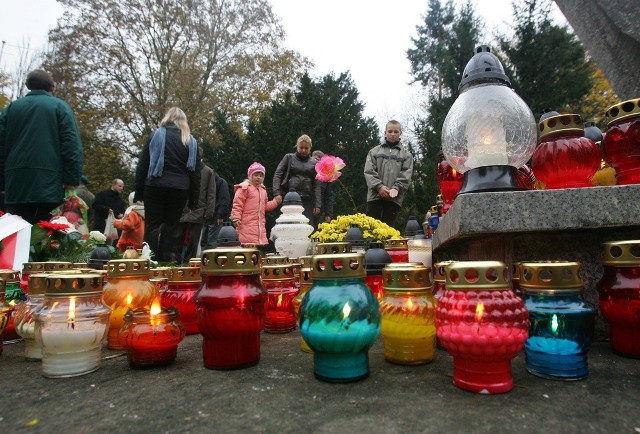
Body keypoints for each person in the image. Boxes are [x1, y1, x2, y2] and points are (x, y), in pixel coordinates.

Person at [0, 69, 83, 224]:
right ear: (52, 87)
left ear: (28, 86)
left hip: (16, 184)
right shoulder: (60, 107)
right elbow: (71, 145)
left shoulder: (10, 109)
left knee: (16, 233)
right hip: (49, 184)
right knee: (46, 233)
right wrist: (71, 178)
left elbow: (1, 147)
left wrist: (2, 182)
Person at [134, 107, 200, 262]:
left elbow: (143, 165)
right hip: (179, 189)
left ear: (167, 118)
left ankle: (148, 259)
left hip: (154, 186)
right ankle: (168, 260)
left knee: (152, 225)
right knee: (172, 226)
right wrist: (193, 200)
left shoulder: (155, 135)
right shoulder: (190, 141)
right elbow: (195, 173)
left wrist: (139, 191)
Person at [364, 120, 414, 227]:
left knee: (388, 229)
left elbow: (406, 174)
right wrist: (379, 187)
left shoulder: (406, 155)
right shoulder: (374, 152)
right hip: (374, 197)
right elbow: (369, 172)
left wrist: (396, 188)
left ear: (400, 133)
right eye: (390, 131)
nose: (392, 134)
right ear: (385, 132)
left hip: (394, 198)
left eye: (396, 132)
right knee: (371, 229)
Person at [272, 134, 321, 226]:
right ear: (297, 146)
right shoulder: (288, 157)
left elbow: (317, 184)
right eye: (301, 147)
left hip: (307, 199)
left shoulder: (314, 163)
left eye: (306, 148)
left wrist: (317, 204)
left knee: (308, 226)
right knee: (287, 225)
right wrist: (277, 193)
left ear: (310, 148)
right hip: (289, 197)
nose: (303, 150)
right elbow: (278, 174)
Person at [231, 162, 281, 246]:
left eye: (261, 176)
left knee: (256, 247)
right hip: (245, 224)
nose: (258, 177)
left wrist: (275, 202)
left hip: (259, 226)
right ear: (250, 175)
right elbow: (237, 204)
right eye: (256, 175)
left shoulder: (263, 190)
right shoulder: (244, 188)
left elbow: (265, 206)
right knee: (247, 245)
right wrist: (236, 218)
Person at [179, 155, 216, 263]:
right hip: (182, 209)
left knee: (193, 241)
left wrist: (209, 211)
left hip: (198, 210)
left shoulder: (208, 171)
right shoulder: (183, 168)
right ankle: (178, 263)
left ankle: (189, 264)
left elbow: (211, 193)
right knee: (178, 238)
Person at [202, 172, 231, 249]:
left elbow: (224, 200)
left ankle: (211, 259)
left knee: (213, 242)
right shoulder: (209, 181)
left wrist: (221, 215)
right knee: (204, 241)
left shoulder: (220, 182)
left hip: (217, 217)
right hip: (207, 216)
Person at [311, 150, 335, 224]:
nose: (317, 158)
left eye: (320, 157)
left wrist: (329, 214)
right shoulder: (305, 171)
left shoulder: (326, 178)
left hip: (319, 212)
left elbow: (329, 197)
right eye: (315, 156)